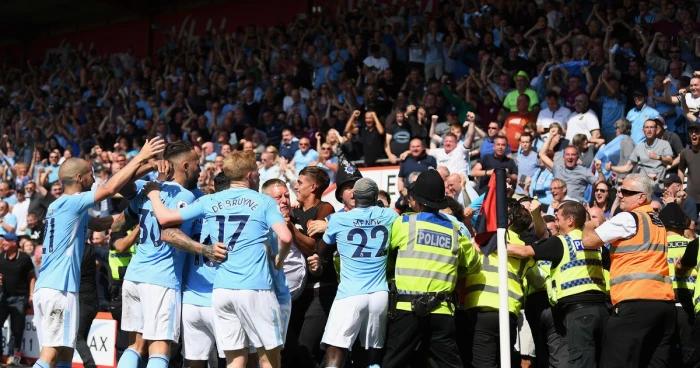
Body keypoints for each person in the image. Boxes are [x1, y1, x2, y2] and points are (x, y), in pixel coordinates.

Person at [147, 150, 292, 368]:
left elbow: (166, 219)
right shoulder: (264, 201)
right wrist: (279, 261)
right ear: (251, 175)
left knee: (235, 360)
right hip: (256, 288)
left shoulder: (209, 200)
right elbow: (286, 237)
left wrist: (153, 194)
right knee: (269, 358)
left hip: (222, 291)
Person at [32, 137, 164, 368]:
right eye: (91, 175)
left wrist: (140, 210)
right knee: (50, 355)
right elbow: (112, 187)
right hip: (58, 289)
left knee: (65, 352)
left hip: (49, 287)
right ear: (80, 178)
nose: (94, 179)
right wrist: (141, 156)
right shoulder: (74, 203)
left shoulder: (58, 206)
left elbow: (105, 223)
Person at [116, 141, 210, 368]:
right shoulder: (186, 196)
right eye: (197, 163)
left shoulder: (149, 187)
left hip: (134, 276)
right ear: (186, 166)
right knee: (160, 348)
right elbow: (169, 231)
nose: (200, 168)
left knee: (135, 346)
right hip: (160, 280)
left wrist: (148, 165)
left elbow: (121, 184)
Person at [382, 169, 481, 368]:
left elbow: (386, 257)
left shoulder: (404, 223)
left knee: (393, 363)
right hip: (442, 310)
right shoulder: (454, 231)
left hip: (406, 309)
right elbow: (473, 265)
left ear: (417, 201)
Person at [582, 173, 675, 368]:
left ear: (642, 197)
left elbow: (589, 241)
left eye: (626, 192)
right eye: (619, 191)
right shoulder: (657, 222)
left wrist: (589, 223)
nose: (620, 195)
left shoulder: (628, 218)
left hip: (635, 301)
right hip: (664, 305)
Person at [509, 201, 609, 368]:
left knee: (580, 360)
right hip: (602, 309)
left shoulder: (561, 242)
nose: (555, 222)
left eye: (558, 218)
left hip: (578, 311)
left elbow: (524, 251)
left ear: (570, 220)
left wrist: (492, 244)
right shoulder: (598, 244)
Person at [319, 178, 398, 367]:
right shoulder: (389, 216)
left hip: (350, 294)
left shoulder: (339, 219)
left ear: (353, 196)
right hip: (380, 294)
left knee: (336, 348)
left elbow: (322, 250)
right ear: (375, 196)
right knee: (372, 355)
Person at [658, 203, 694, 367]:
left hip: (664, 307)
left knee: (664, 357)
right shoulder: (694, 245)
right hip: (689, 308)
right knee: (690, 357)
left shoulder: (656, 249)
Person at [0, 232, 36, 366]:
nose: (3, 243)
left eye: (6, 241)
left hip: (20, 298)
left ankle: (13, 356)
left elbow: (32, 277)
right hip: (3, 297)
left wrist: (32, 295)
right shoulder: (0, 257)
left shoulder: (24, 258)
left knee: (17, 329)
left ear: (14, 243)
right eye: (3, 241)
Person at [610, 119, 673, 188]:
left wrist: (659, 157)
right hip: (641, 187)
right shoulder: (639, 147)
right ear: (643, 130)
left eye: (652, 127)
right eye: (647, 127)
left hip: (657, 187)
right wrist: (611, 167)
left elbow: (670, 161)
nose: (649, 130)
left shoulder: (664, 144)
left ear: (656, 130)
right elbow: (628, 167)